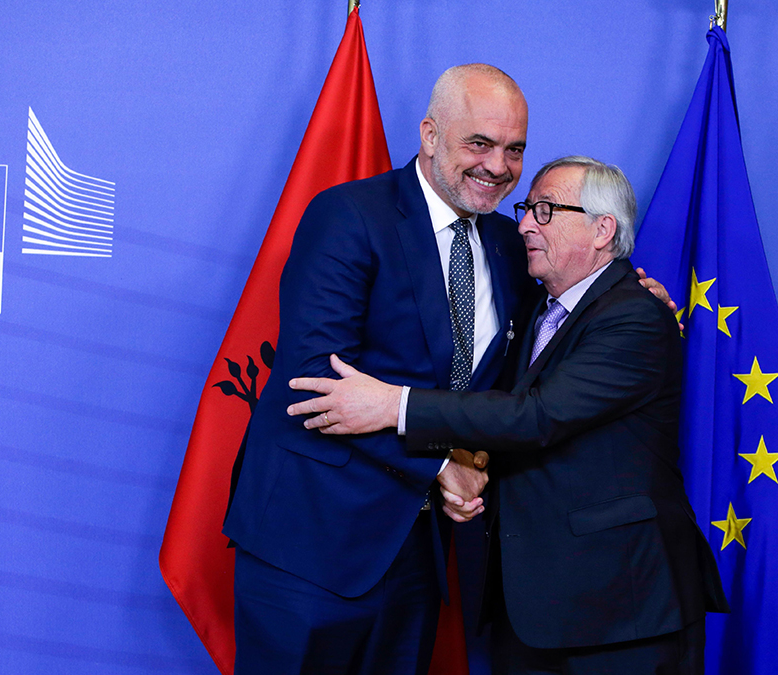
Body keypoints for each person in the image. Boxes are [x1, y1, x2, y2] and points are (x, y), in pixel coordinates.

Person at [224, 65, 674, 674]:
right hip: (311, 541)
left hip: (418, 555)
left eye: (515, 149)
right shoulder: (349, 216)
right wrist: (440, 465)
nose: (499, 166)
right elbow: (314, 383)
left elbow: (567, 318)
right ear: (430, 135)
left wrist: (631, 290)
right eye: (479, 144)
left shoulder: (513, 248)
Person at [289, 156, 729, 674]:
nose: (522, 224)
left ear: (602, 229)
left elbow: (535, 416)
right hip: (536, 607)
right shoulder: (540, 308)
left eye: (544, 211)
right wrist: (453, 467)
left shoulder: (635, 316)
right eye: (526, 209)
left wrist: (393, 403)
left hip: (623, 611)